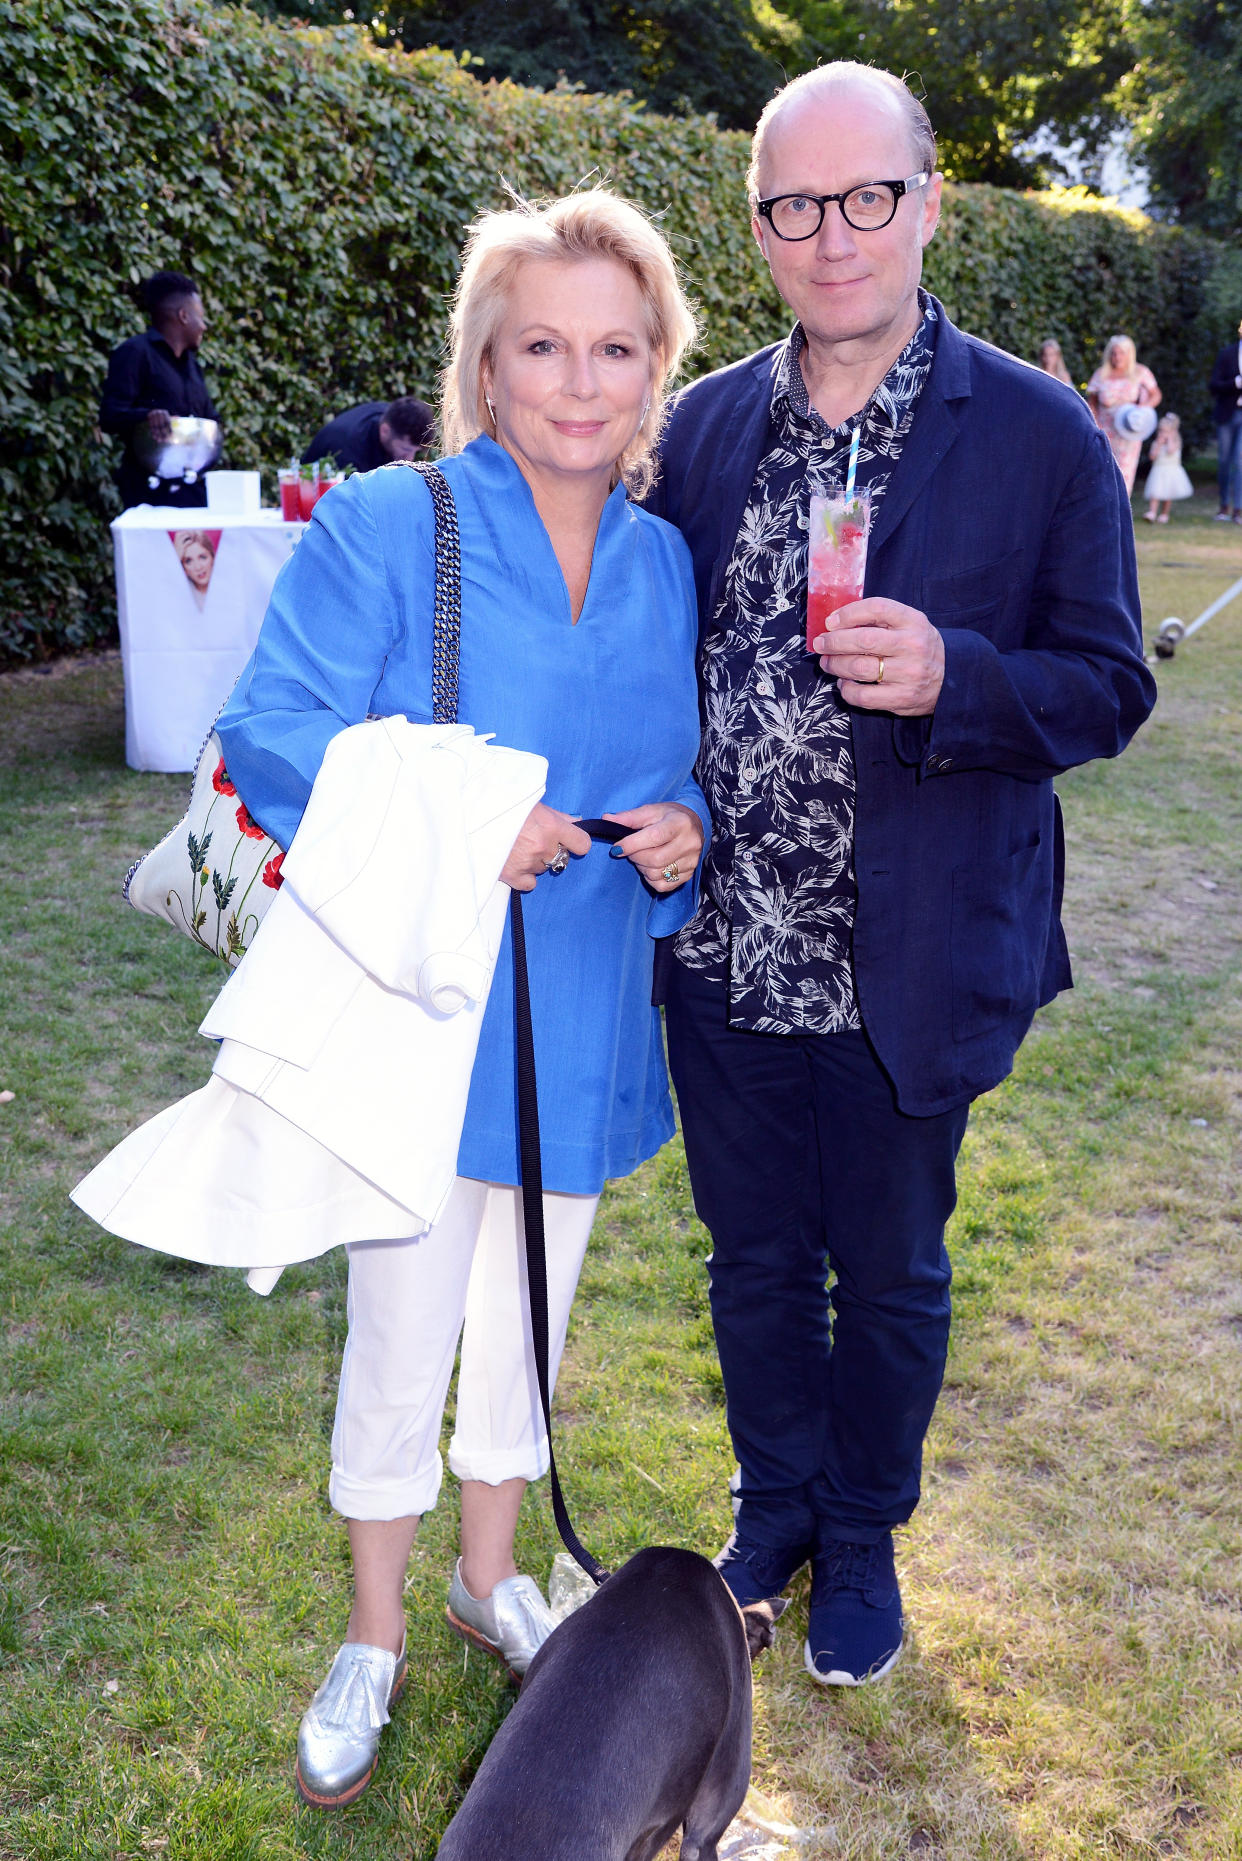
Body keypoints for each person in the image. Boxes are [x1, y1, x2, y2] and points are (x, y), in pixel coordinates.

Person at [647, 62, 1156, 1690]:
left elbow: (1106, 684)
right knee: (749, 1262)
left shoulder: (1035, 433)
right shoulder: (705, 426)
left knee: (889, 1268)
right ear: (758, 231)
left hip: (909, 955)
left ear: (927, 203)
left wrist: (956, 675)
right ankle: (775, 1505)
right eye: (794, 205)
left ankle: (861, 1533)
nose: (832, 234)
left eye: (867, 196)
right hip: (725, 945)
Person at [212, 189, 706, 1808]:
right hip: (424, 1022)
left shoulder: (662, 563)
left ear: (655, 374)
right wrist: (463, 820)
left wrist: (682, 836)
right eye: (542, 346)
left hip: (583, 1024)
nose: (580, 380)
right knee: (400, 1331)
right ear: (484, 369)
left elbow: (681, 773)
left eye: (615, 349)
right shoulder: (387, 524)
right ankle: (369, 1632)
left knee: (525, 1330)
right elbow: (275, 736)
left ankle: (492, 1576)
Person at [99, 271, 219, 509]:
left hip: (194, 492)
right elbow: (109, 416)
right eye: (201, 317)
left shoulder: (192, 365)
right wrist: (147, 417)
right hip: (147, 494)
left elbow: (211, 418)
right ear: (183, 316)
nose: (204, 326)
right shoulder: (135, 353)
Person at [1086, 333, 1161, 496]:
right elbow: (1092, 403)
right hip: (1105, 430)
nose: (1117, 357)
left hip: (1129, 431)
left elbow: (1156, 395)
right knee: (1104, 471)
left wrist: (1143, 408)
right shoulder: (1101, 374)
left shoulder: (1140, 372)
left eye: (1121, 353)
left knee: (1125, 473)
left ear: (1129, 354)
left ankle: (1122, 514)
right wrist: (1095, 424)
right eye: (1114, 353)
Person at [303, 395, 434, 472]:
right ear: (385, 430)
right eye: (405, 449)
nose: (410, 458)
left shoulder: (393, 417)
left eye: (415, 451)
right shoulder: (348, 450)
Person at [1208, 315, 1242, 522]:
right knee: (1224, 461)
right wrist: (1235, 383)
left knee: (1240, 461)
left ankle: (1238, 509)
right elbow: (1214, 385)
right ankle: (1223, 507)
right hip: (1227, 414)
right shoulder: (1227, 354)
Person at [1142, 414, 1194, 523]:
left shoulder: (1176, 442)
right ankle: (1152, 512)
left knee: (1167, 495)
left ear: (1173, 432)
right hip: (1158, 471)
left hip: (1171, 472)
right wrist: (1158, 444)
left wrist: (1170, 439)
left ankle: (1164, 514)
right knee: (1154, 493)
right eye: (1161, 431)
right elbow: (1152, 456)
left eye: (1166, 432)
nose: (1162, 434)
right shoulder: (1156, 443)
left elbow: (1170, 451)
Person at [172, 528, 216, 607]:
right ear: (183, 567)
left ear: (212, 557)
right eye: (188, 561)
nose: (198, 567)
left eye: (203, 557)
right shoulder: (177, 595)